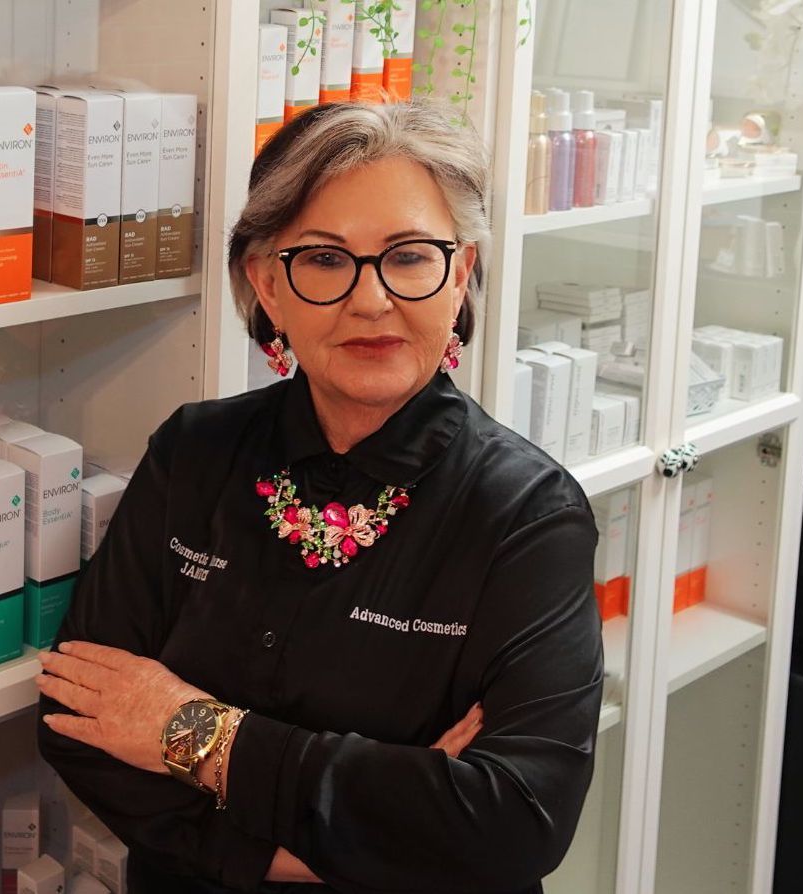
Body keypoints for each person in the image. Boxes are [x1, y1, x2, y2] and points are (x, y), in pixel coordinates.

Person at [36, 100, 604, 894]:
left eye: (408, 256)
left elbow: (516, 819)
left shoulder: (525, 513)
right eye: (325, 260)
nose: (370, 301)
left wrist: (185, 729)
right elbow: (79, 719)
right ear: (268, 284)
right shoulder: (193, 454)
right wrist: (341, 839)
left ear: (460, 274)